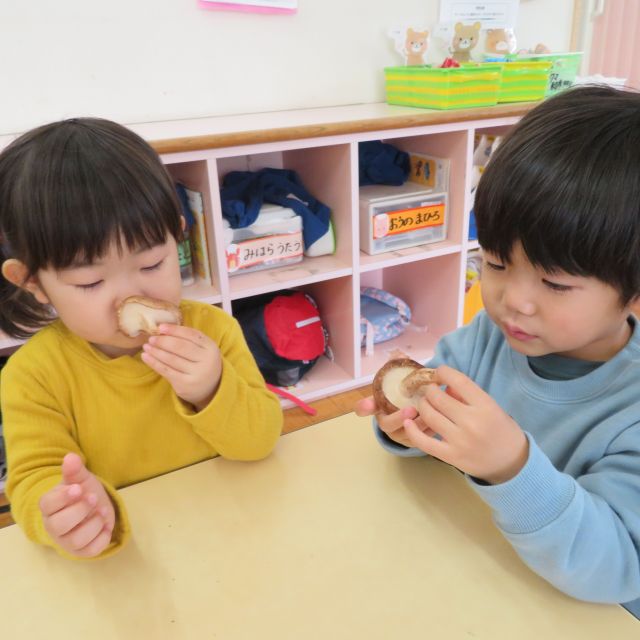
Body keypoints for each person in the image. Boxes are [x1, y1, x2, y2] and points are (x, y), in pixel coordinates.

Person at [356, 85, 640, 618]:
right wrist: (411, 428)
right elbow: (437, 429)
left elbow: (620, 568)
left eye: (555, 283)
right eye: (495, 262)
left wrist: (511, 466)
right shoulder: (488, 337)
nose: (514, 301)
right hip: (470, 580)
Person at [0, 118, 283, 559]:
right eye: (90, 282)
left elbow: (261, 439)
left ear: (178, 235)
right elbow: (35, 479)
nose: (132, 296)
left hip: (234, 531)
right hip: (134, 550)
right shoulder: (33, 375)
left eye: (152, 264)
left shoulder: (213, 331)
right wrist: (66, 513)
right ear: (33, 283)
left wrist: (211, 389)